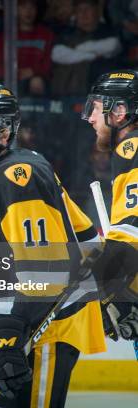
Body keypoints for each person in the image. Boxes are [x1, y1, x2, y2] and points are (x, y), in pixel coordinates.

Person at [0, 85, 106, 407]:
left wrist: (10, 332)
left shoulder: (17, 177)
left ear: (4, 132)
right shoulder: (6, 169)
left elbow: (47, 269)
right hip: (8, 337)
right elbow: (85, 233)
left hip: (33, 337)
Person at [82, 70, 138, 345]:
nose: (90, 118)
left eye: (94, 107)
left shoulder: (132, 147)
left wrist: (105, 285)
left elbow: (132, 231)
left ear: (119, 111)